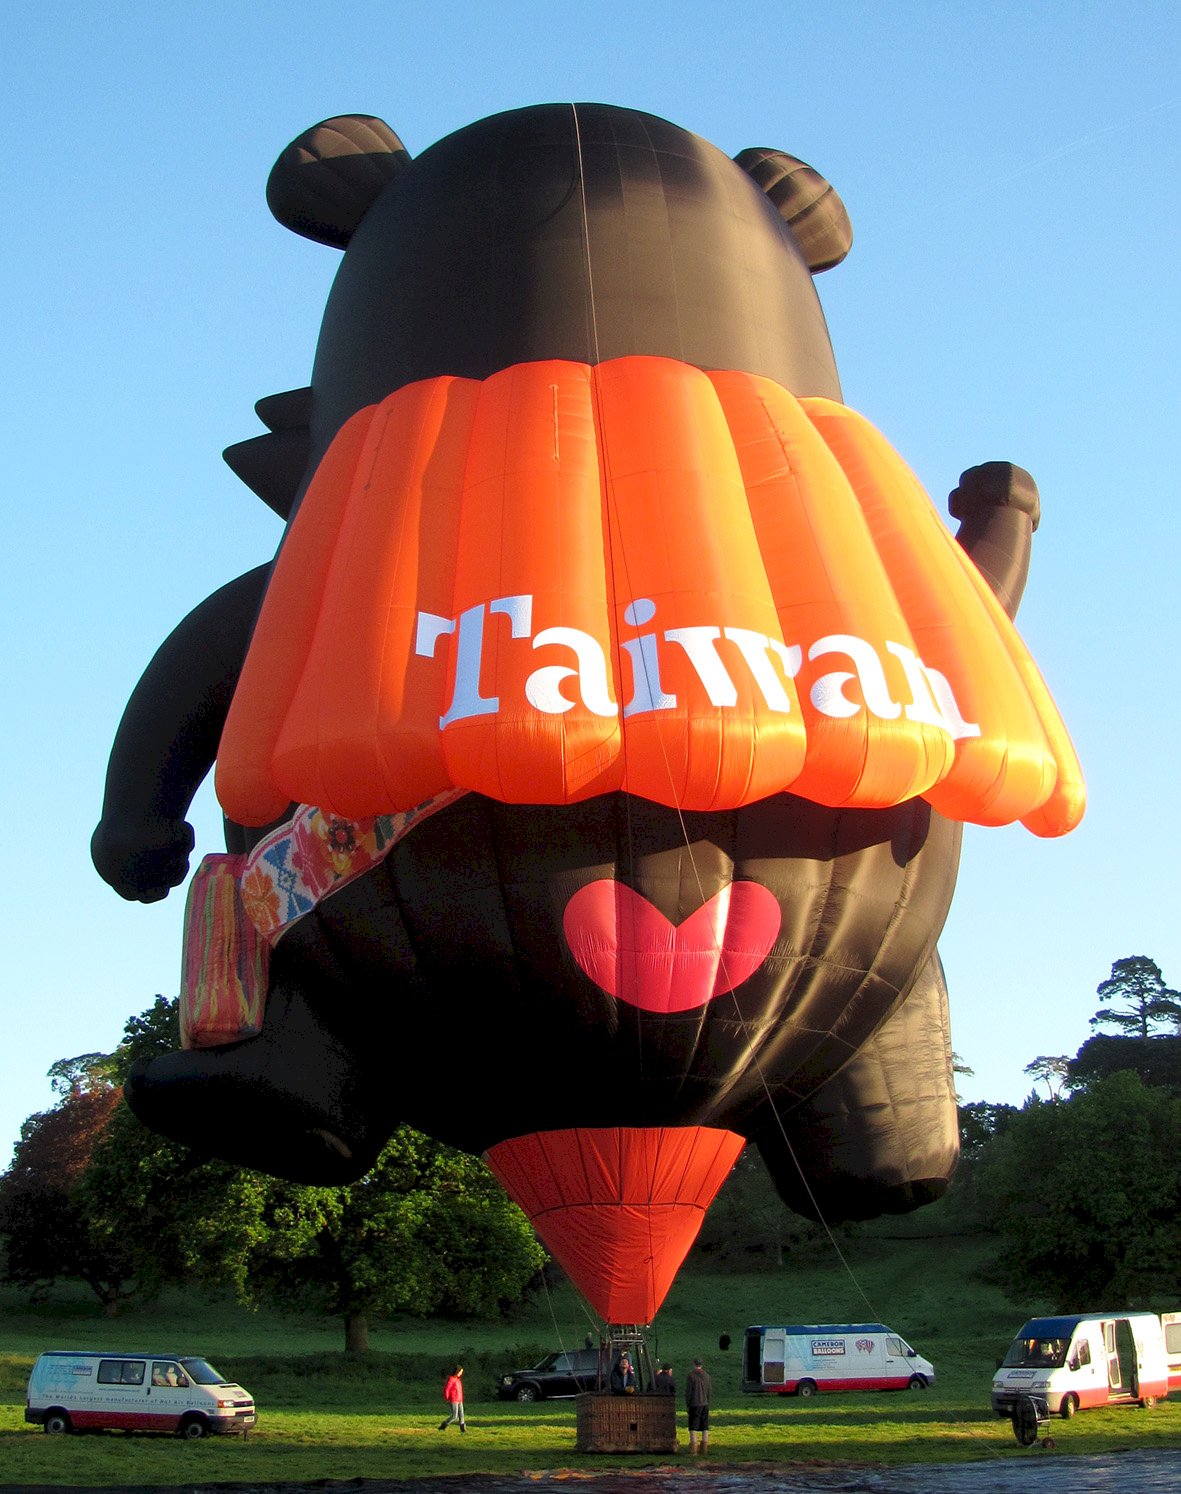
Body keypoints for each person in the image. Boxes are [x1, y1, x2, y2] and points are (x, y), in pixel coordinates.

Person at [685, 1357, 712, 1455]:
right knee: (705, 1426)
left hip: (694, 1404)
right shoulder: (707, 1376)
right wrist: (707, 1401)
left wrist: (687, 1404)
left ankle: (694, 1449)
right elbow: (709, 1391)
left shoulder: (691, 1376)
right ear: (702, 1365)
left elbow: (688, 1392)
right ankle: (704, 1448)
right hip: (705, 1403)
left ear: (694, 1364)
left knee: (693, 1426)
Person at [438, 1364, 466, 1432]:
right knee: (454, 1416)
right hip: (453, 1400)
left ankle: (462, 1428)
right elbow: (447, 1389)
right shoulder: (451, 1379)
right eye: (460, 1372)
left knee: (461, 1415)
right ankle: (444, 1425)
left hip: (459, 1400)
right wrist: (447, 1398)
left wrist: (461, 1398)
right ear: (457, 1371)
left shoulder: (458, 1380)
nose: (461, 1373)